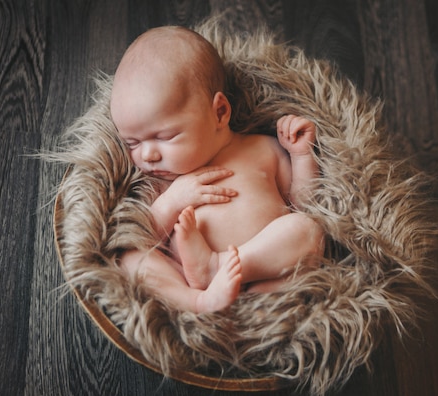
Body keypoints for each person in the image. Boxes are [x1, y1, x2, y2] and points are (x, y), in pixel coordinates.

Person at [110, 26, 324, 313]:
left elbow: (304, 203)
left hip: (266, 274)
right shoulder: (161, 182)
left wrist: (301, 156)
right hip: (189, 278)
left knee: (308, 231)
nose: (147, 155)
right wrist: (172, 202)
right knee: (131, 259)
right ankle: (198, 303)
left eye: (165, 137)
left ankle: (218, 268)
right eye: (132, 142)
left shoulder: (263, 149)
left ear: (220, 112)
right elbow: (143, 235)